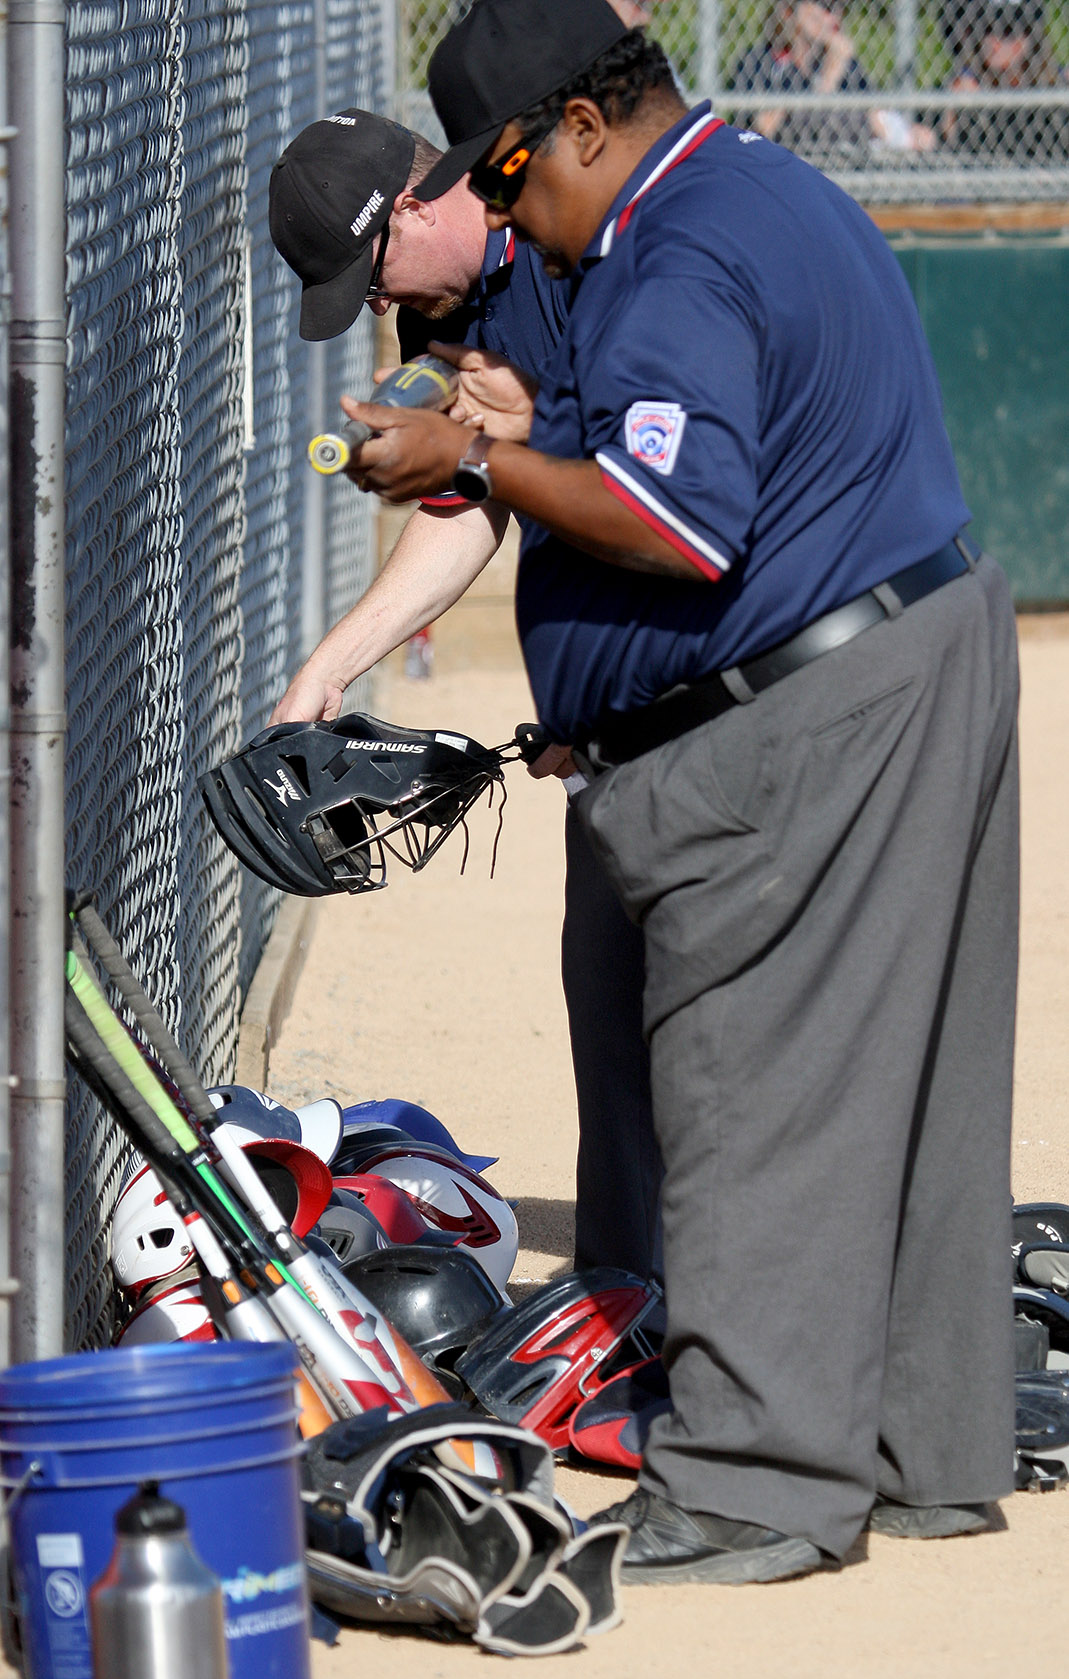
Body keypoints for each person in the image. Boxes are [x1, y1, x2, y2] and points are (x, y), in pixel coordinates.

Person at [338, 0, 1020, 1587]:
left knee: (754, 1088)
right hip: (907, 649)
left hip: (813, 704)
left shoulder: (676, 245)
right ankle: (923, 1456)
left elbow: (677, 522)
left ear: (582, 125)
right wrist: (522, 427)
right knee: (908, 1094)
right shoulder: (750, 187)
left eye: (504, 184)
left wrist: (475, 456)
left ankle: (757, 1486)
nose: (503, 221)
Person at [268, 102, 663, 1282]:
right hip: (622, 720)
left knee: (720, 1028)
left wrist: (486, 446)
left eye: (373, 270)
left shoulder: (589, 246)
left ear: (422, 198)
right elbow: (470, 505)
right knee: (606, 995)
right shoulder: (455, 302)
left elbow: (660, 496)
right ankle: (630, 1301)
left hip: (730, 700)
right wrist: (320, 678)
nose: (381, 308)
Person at [732, 0, 936, 155]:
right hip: (786, 160)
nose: (832, 15)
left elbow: (878, 118)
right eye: (824, 5)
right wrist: (826, 79)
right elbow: (761, 128)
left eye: (839, 7)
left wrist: (908, 134)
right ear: (789, 11)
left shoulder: (840, 60)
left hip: (848, 160)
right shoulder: (762, 59)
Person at [943, 0, 1069, 160]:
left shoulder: (1056, 83)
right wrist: (951, 114)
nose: (996, 42)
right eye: (987, 29)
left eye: (1008, 31)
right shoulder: (966, 83)